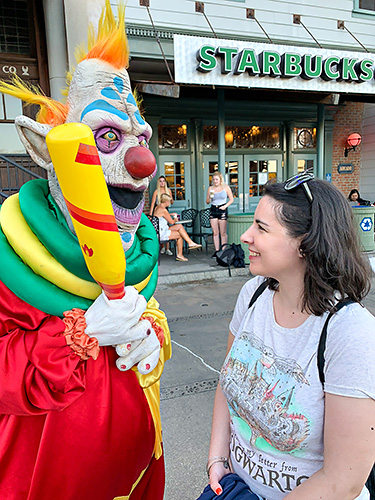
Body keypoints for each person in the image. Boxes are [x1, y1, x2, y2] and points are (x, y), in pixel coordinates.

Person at [207, 172, 375, 500]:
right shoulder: (252, 294)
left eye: (261, 228)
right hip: (234, 488)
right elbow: (225, 383)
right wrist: (217, 459)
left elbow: (345, 480)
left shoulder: (351, 332)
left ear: (305, 244)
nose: (246, 237)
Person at [154, 193, 201, 261]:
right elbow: (172, 222)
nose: (170, 203)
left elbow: (161, 215)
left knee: (179, 226)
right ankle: (180, 255)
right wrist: (175, 217)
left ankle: (190, 243)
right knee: (179, 235)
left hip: (160, 230)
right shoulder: (164, 210)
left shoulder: (158, 207)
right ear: (166, 201)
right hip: (162, 232)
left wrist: (170, 214)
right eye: (169, 201)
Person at [206, 171, 234, 257]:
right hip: (213, 209)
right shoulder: (210, 188)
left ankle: (223, 250)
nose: (215, 181)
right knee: (215, 232)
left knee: (223, 232)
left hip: (222, 209)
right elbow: (207, 202)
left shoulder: (226, 187)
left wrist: (225, 206)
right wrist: (210, 197)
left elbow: (231, 199)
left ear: (220, 179)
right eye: (214, 179)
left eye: (217, 179)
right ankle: (217, 250)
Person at [150, 176, 175, 255]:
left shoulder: (168, 191)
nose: (162, 183)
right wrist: (150, 215)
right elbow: (153, 203)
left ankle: (168, 248)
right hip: (158, 210)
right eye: (160, 181)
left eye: (163, 181)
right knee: (160, 227)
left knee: (166, 226)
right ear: (158, 182)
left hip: (166, 210)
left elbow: (172, 202)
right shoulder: (156, 191)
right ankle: (163, 247)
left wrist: (170, 199)